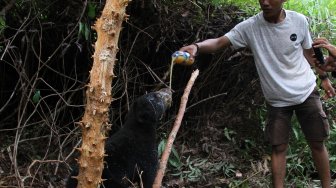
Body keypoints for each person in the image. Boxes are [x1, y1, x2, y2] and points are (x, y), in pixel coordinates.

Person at [179, 0, 335, 187]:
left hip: (306, 91)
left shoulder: (299, 21)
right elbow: (219, 43)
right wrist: (196, 47)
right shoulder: (250, 27)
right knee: (278, 148)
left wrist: (324, 78)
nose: (265, 2)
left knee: (317, 143)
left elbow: (308, 53)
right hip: (277, 100)